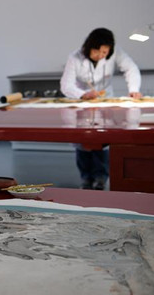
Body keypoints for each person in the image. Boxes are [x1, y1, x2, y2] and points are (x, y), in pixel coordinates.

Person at [60, 27, 141, 190]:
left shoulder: (115, 52)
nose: (101, 55)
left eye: (105, 52)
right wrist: (83, 94)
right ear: (89, 47)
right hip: (82, 100)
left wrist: (133, 89)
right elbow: (66, 85)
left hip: (105, 101)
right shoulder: (75, 57)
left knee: (103, 140)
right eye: (97, 51)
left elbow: (131, 68)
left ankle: (101, 178)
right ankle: (85, 178)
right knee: (82, 141)